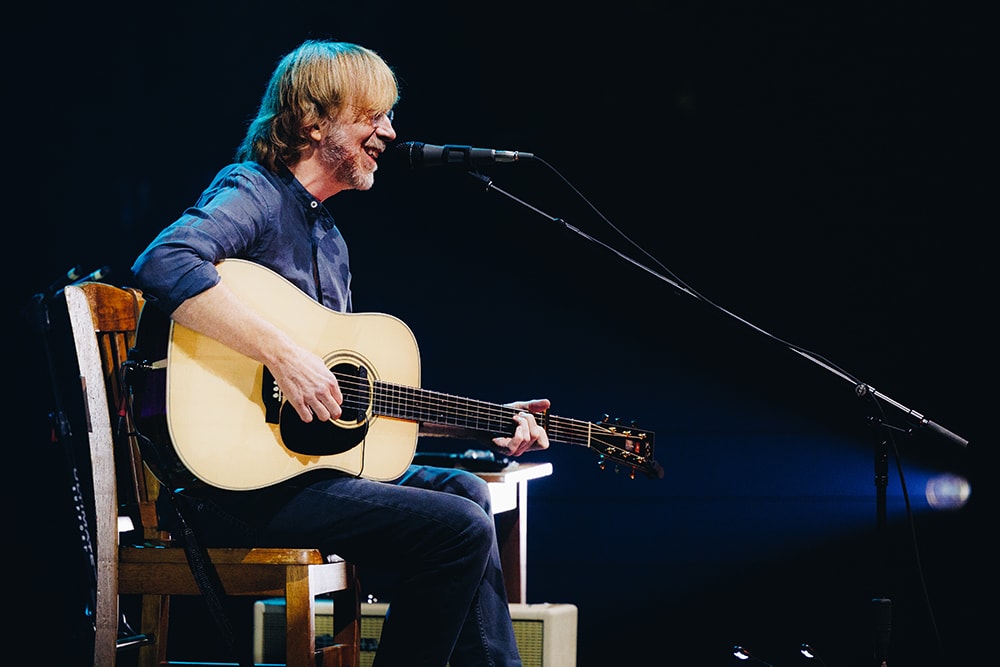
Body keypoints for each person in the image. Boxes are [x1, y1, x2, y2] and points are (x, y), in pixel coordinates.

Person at [130, 39, 550, 667]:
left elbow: (346, 402)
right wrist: (283, 354)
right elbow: (163, 261)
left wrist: (481, 423)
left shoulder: (329, 240)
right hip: (229, 488)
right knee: (457, 528)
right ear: (313, 121)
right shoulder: (256, 193)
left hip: (303, 471)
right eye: (372, 115)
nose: (390, 130)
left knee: (467, 491)